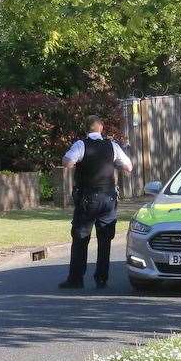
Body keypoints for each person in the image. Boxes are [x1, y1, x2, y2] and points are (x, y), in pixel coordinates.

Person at [59, 115, 133, 289]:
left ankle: (76, 279)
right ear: (101, 127)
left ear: (87, 129)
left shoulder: (81, 144)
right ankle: (101, 278)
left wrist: (79, 162)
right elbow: (129, 167)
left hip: (88, 199)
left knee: (81, 237)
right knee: (105, 238)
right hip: (109, 199)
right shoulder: (112, 146)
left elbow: (68, 163)